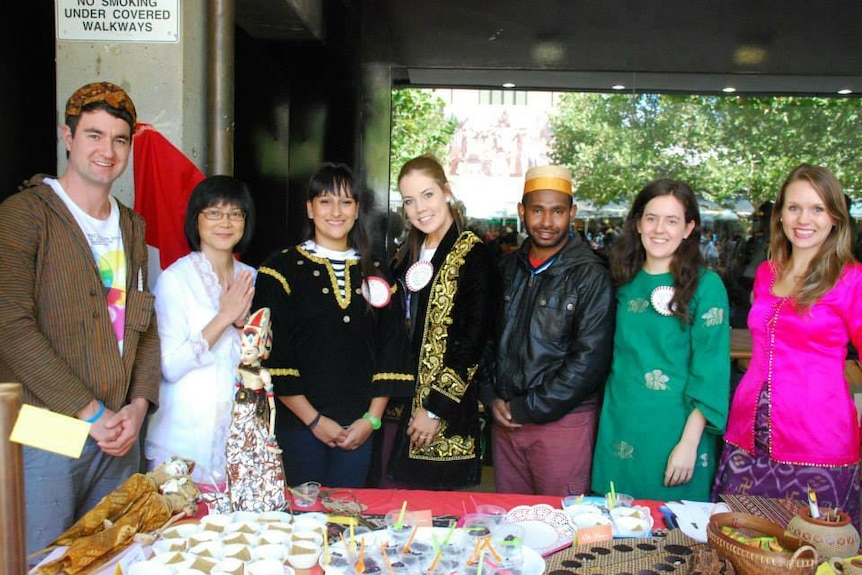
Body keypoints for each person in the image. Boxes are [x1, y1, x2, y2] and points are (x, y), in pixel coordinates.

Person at [0, 82, 160, 556]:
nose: (106, 151)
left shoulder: (132, 226)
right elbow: (10, 325)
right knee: (44, 560)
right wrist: (90, 413)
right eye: (93, 135)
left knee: (111, 558)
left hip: (118, 435)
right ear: (67, 138)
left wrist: (138, 406)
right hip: (46, 429)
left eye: (118, 139)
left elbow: (144, 321)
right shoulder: (24, 214)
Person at [714, 164, 862, 526]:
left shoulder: (851, 279)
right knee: (741, 545)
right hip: (747, 438)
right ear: (779, 215)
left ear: (835, 218)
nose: (803, 219)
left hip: (818, 441)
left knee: (814, 552)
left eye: (816, 208)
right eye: (793, 207)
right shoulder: (768, 273)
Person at [252, 162, 413, 488]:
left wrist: (371, 419)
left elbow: (391, 347)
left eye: (346, 202)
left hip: (360, 428)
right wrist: (314, 420)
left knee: (350, 522)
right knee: (301, 524)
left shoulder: (378, 271)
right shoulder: (279, 270)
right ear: (310, 209)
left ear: (357, 210)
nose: (336, 211)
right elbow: (274, 354)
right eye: (325, 201)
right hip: (298, 428)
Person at [479, 165, 615, 496]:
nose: (547, 222)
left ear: (572, 213)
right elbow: (485, 336)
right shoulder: (506, 268)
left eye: (557, 211)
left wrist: (527, 407)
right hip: (505, 419)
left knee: (561, 526)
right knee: (512, 524)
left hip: (562, 424)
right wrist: (489, 394)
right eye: (537, 210)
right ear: (521, 212)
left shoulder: (590, 275)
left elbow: (589, 361)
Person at [591, 179, 730, 501]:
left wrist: (689, 444)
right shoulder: (619, 279)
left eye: (672, 220)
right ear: (638, 223)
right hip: (619, 422)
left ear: (688, 228)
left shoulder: (706, 287)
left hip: (676, 429)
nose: (659, 229)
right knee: (615, 531)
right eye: (651, 218)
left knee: (674, 537)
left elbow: (710, 371)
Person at [385, 154, 499, 489]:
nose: (420, 208)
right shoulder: (405, 255)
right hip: (397, 408)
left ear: (446, 191)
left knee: (437, 524)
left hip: (443, 417)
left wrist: (434, 409)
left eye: (428, 194)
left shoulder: (474, 256)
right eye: (409, 200)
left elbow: (473, 343)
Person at [145, 175, 256, 485]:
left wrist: (245, 327)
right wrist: (224, 317)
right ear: (197, 220)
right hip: (185, 439)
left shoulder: (254, 278)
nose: (226, 222)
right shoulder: (176, 279)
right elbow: (170, 366)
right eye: (215, 212)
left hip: (240, 436)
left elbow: (262, 356)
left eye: (236, 213)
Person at [226, 307, 287, 511]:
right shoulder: (240, 369)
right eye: (242, 350)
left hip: (258, 411)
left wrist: (270, 433)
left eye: (249, 351)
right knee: (239, 455)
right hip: (241, 412)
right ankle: (239, 498)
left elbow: (272, 406)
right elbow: (236, 394)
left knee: (262, 456)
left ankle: (265, 499)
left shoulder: (263, 374)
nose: (244, 355)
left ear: (260, 352)